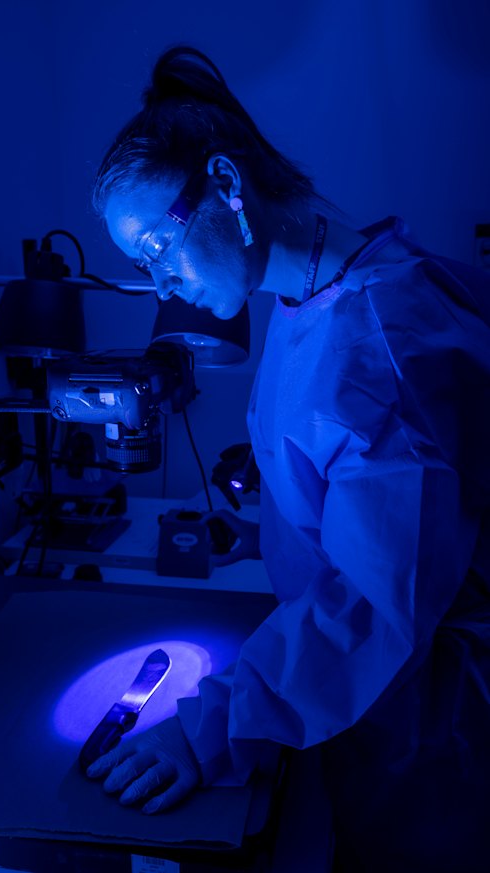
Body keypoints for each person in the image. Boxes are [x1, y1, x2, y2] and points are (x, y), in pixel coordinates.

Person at [85, 45, 490, 872]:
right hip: (362, 707)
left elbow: (379, 600)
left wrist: (208, 729)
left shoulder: (379, 340)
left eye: (160, 248)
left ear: (227, 187)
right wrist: (262, 534)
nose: (163, 285)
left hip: (428, 733)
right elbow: (358, 494)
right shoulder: (313, 298)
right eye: (142, 265)